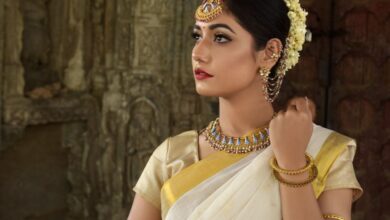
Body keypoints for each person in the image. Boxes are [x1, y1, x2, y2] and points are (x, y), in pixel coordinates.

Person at [127, 0, 363, 219]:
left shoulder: (326, 153)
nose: (197, 53)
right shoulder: (171, 158)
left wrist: (293, 162)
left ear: (270, 52)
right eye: (197, 36)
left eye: (220, 37)